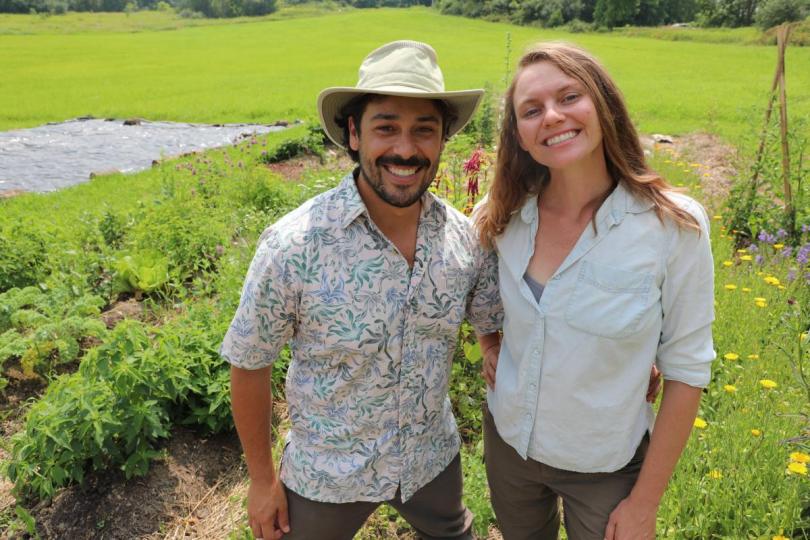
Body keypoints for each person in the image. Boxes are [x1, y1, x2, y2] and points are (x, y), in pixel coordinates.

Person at [220, 40, 502, 540]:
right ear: (353, 133)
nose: (406, 149)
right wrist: (262, 481)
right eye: (386, 127)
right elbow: (249, 363)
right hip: (327, 474)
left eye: (424, 130)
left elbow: (493, 325)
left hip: (430, 462)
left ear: (442, 141)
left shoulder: (465, 241)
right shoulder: (295, 245)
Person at [474, 43, 715, 540]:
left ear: (603, 104)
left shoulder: (673, 226)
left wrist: (644, 505)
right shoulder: (503, 217)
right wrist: (490, 341)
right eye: (531, 110)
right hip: (509, 446)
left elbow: (687, 370)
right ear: (518, 134)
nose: (553, 117)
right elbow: (474, 287)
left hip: (606, 463)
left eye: (569, 96)